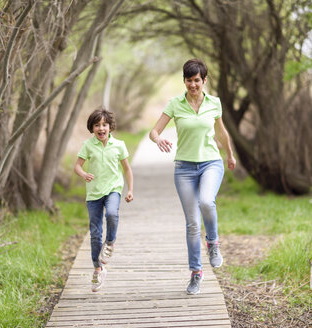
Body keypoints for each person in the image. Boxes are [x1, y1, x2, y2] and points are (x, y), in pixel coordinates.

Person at [149, 58, 236, 295]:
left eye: (197, 80)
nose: (193, 85)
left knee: (207, 202)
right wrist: (158, 139)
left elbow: (222, 132)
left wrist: (229, 155)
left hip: (211, 163)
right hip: (184, 169)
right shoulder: (175, 104)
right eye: (189, 80)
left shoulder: (214, 103)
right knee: (192, 224)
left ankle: (213, 243)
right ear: (184, 81)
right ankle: (196, 274)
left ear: (204, 80)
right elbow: (154, 131)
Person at [74, 107, 134, 292]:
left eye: (104, 125)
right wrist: (84, 174)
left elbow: (127, 169)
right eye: (97, 125)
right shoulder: (88, 145)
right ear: (92, 128)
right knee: (94, 234)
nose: (101, 128)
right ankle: (98, 269)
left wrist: (130, 189)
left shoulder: (119, 145)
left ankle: (110, 243)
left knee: (112, 215)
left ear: (110, 127)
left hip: (113, 189)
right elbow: (77, 166)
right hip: (93, 194)